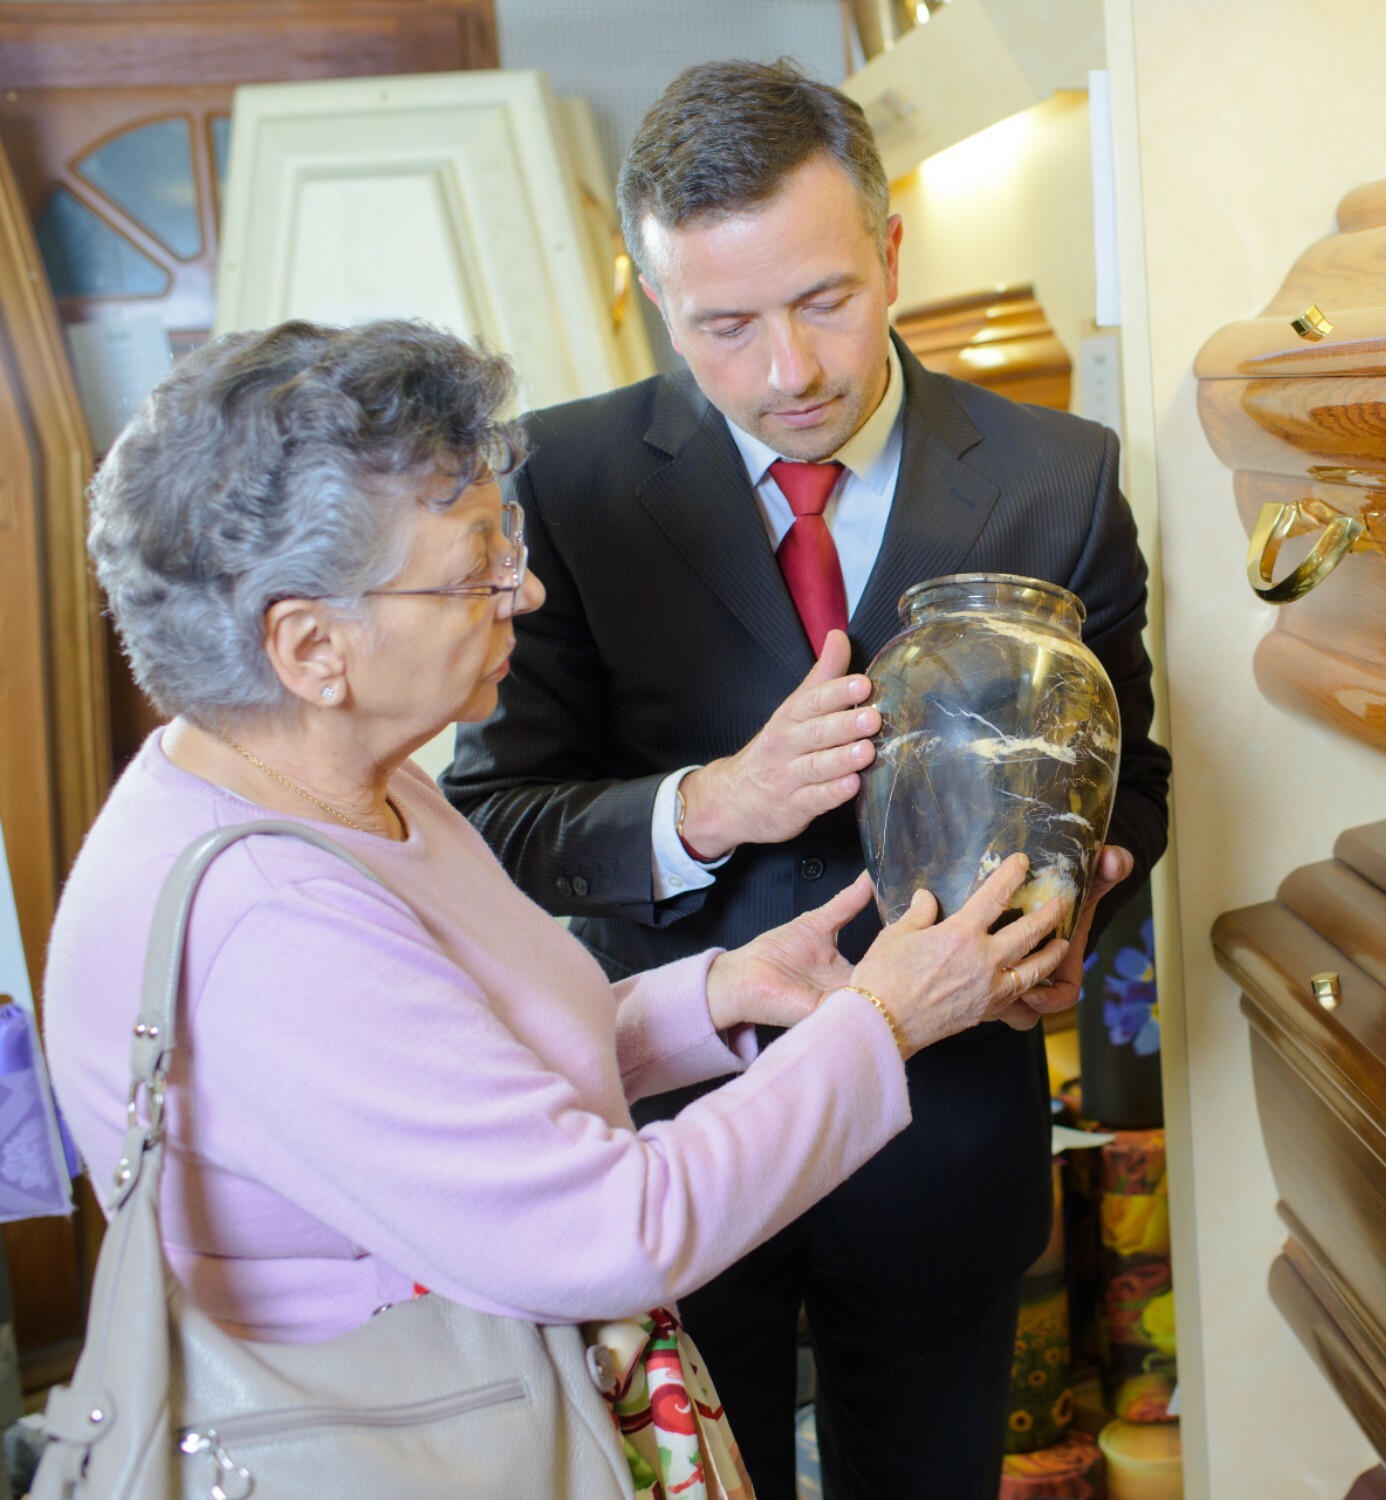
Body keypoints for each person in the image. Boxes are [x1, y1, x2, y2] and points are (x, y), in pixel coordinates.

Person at [43, 318, 1073, 1404]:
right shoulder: (261, 923)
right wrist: (885, 1019)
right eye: (470, 573)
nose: (521, 593)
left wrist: (716, 994)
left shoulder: (363, 786)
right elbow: (608, 1229)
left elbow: (467, 1081)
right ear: (310, 648)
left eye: (508, 543)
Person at [440, 59, 1173, 1500]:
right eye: (725, 325)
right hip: (673, 1149)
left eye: (826, 299)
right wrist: (707, 805)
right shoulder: (560, 486)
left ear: (894, 252)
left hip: (946, 1125)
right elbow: (494, 820)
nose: (791, 371)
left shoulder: (1059, 475)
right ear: (656, 300)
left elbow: (1131, 776)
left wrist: (1076, 913)